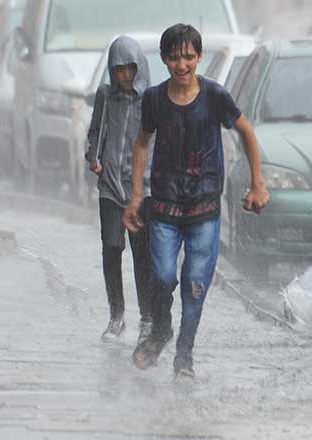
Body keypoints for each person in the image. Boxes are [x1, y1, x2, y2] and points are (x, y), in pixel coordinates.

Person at [122, 24, 269, 380]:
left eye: (189, 56)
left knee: (195, 284)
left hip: (204, 209)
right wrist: (136, 196)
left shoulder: (216, 97)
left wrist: (257, 183)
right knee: (161, 276)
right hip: (165, 208)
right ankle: (162, 327)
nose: (182, 64)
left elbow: (247, 132)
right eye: (174, 57)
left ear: (200, 58)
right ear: (164, 60)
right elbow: (142, 143)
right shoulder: (155, 99)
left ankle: (184, 355)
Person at [85, 35, 154, 344]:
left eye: (130, 68)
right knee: (112, 249)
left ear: (139, 68)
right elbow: (96, 131)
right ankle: (116, 315)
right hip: (110, 188)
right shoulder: (105, 96)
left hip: (141, 190)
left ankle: (149, 318)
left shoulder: (152, 100)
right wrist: (93, 156)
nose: (125, 75)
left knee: (142, 255)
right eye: (119, 69)